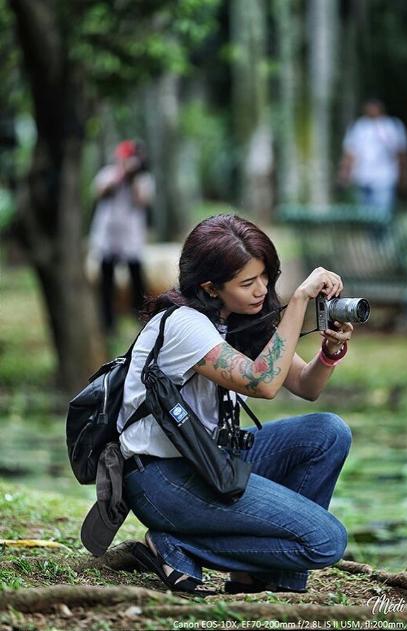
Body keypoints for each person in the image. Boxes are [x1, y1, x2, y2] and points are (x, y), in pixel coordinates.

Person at [118, 214, 354, 594]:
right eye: (248, 283)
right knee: (326, 542)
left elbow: (305, 386)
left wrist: (329, 353)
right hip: (162, 477)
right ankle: (176, 544)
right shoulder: (185, 325)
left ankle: (266, 577)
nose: (261, 290)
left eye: (265, 277)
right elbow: (262, 382)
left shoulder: (239, 318)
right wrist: (298, 301)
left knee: (328, 433)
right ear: (211, 288)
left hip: (212, 460)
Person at [89, 140, 155, 333]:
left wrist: (133, 178)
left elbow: (142, 201)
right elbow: (101, 193)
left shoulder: (144, 180)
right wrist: (121, 175)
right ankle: (108, 323)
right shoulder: (108, 174)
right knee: (106, 281)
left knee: (137, 280)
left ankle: (140, 318)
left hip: (131, 238)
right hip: (108, 237)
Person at [338, 98, 407, 221]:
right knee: (365, 217)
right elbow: (350, 154)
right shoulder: (358, 127)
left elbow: (401, 153)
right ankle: (370, 239)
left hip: (384, 178)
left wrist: (404, 175)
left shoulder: (391, 126)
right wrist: (344, 175)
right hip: (362, 177)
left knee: (382, 215)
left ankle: (383, 239)